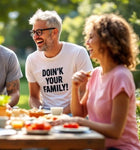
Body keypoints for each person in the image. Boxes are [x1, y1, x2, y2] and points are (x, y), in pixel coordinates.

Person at [54, 14, 140, 150]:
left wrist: (78, 122)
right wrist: (75, 87)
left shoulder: (121, 76)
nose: (87, 42)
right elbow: (79, 113)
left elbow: (115, 131)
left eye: (91, 37)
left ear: (107, 40)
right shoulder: (95, 74)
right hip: (97, 146)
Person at [25, 9, 93, 114]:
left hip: (73, 114)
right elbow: (33, 97)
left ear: (54, 33)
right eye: (33, 32)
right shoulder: (31, 60)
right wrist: (41, 113)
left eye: (39, 32)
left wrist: (60, 115)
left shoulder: (78, 53)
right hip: (45, 116)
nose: (35, 37)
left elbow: (85, 92)